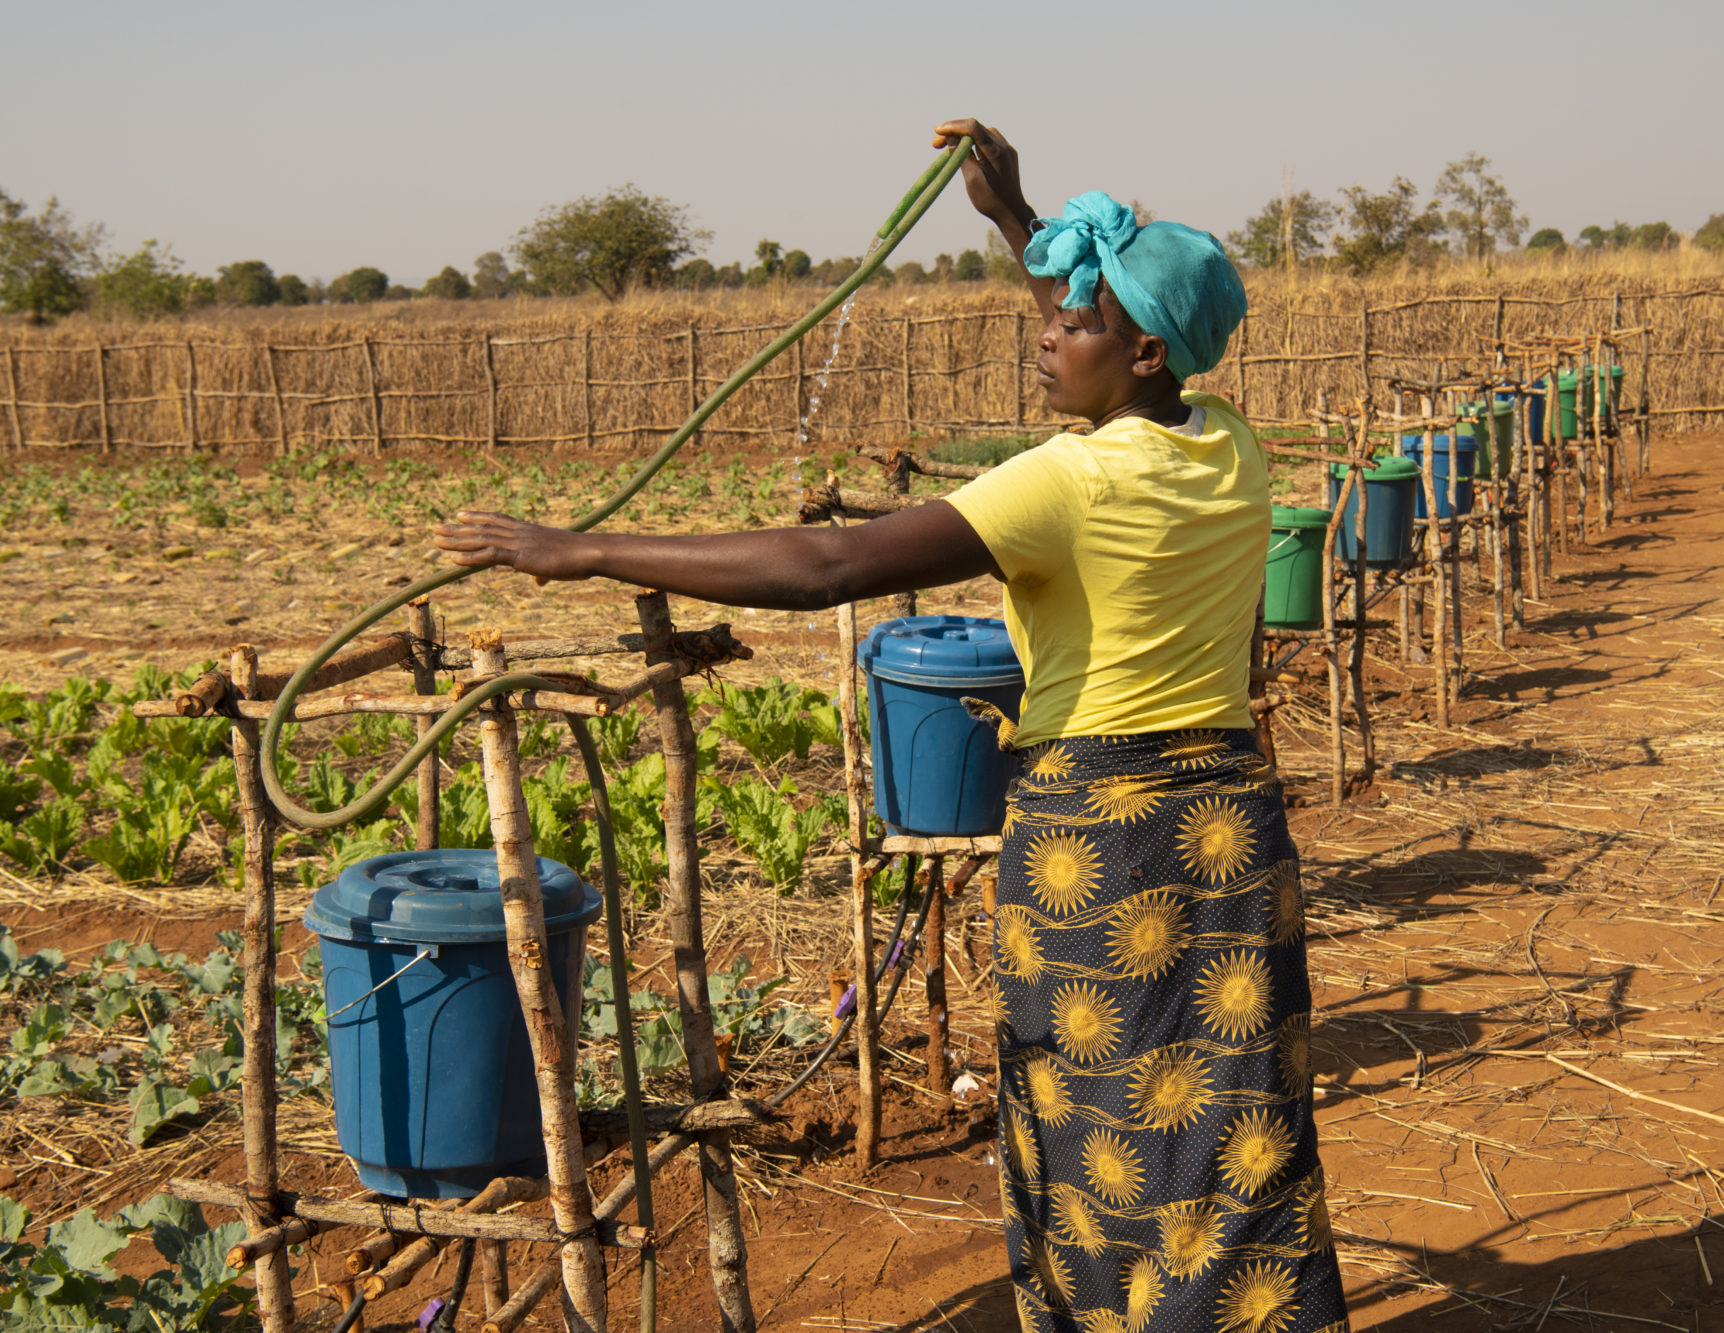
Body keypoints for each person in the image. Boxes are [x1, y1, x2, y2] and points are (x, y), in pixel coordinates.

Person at [432, 118, 1349, 1333]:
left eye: (1068, 325)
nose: (1043, 337)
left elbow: (828, 564)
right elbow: (1105, 327)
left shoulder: (1069, 483)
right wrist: (1013, 218)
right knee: (1226, 1126)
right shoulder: (1226, 446)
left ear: (1135, 351)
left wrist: (578, 549)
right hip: (1227, 834)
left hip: (1104, 844)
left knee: (1102, 1139)